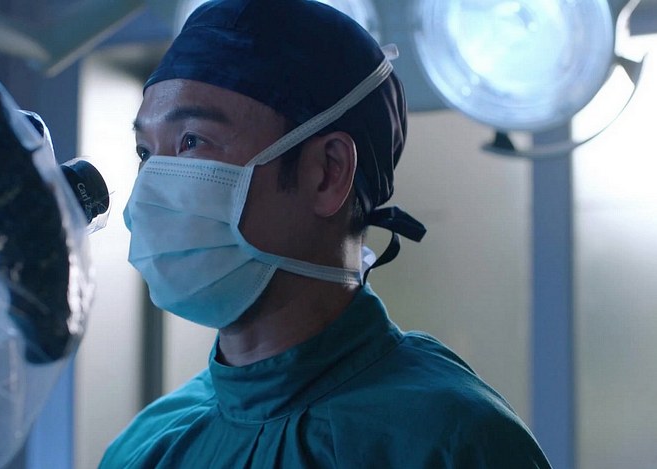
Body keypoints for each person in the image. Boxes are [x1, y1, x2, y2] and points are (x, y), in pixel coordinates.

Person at [101, 0, 552, 467]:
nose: (152, 186)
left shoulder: (448, 442)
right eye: (145, 152)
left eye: (192, 141)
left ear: (328, 172)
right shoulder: (144, 448)